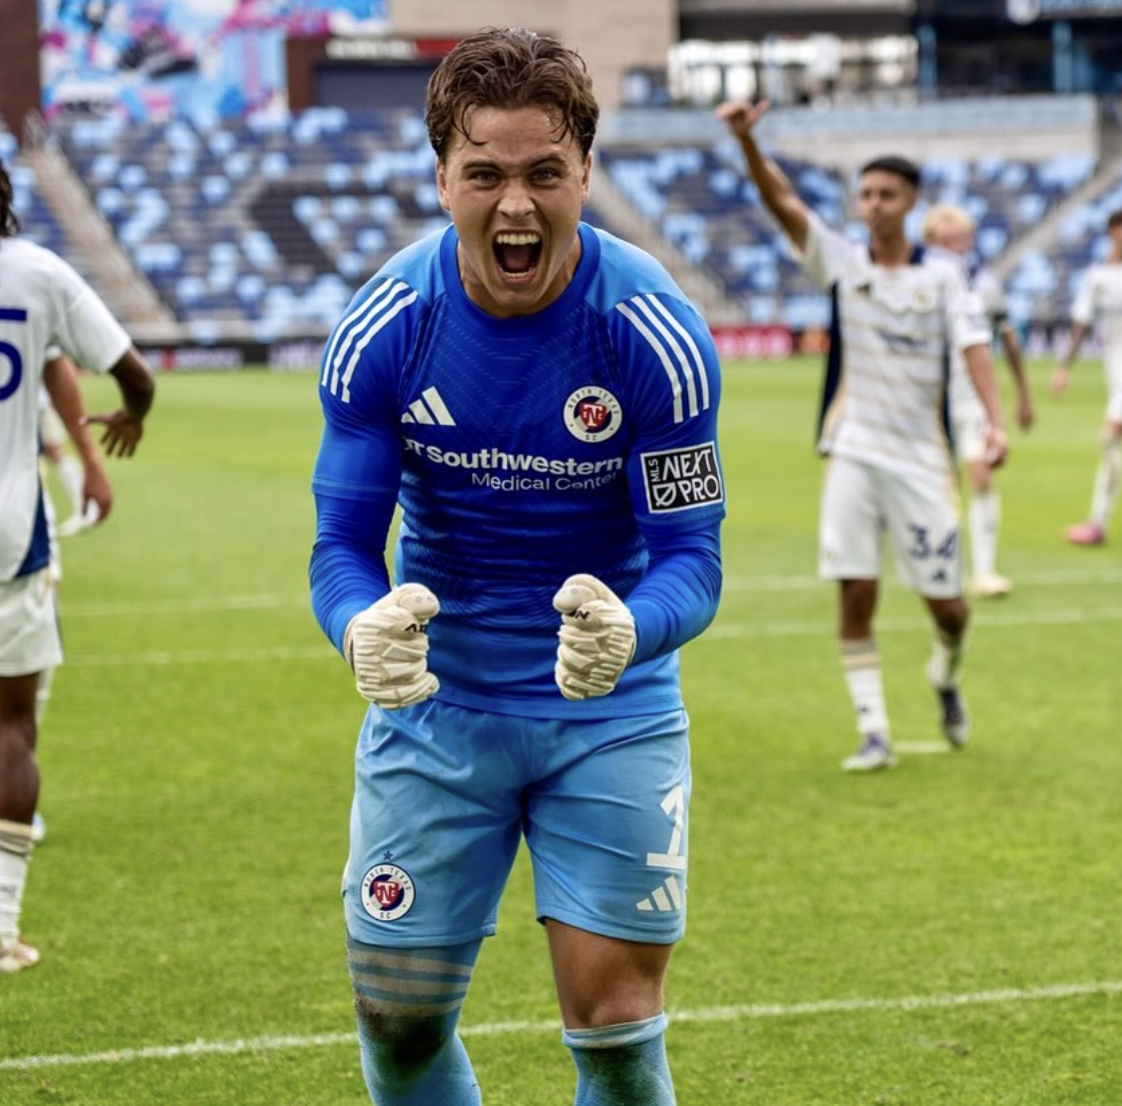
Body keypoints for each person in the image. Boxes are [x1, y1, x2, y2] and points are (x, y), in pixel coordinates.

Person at [310, 28, 725, 1106]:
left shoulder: (653, 332)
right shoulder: (385, 327)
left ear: (586, 170)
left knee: (619, 1033)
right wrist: (360, 626)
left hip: (612, 709)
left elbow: (693, 559)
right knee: (397, 1026)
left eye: (545, 172)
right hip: (436, 712)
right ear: (440, 174)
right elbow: (342, 546)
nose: (516, 206)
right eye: (484, 173)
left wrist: (633, 627)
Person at [716, 100, 1007, 773]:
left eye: (886, 194)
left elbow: (974, 349)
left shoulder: (943, 276)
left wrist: (992, 421)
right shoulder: (844, 264)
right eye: (865, 194)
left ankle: (945, 672)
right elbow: (783, 203)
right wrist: (748, 143)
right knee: (855, 591)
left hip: (922, 460)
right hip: (852, 450)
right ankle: (874, 730)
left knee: (949, 606)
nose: (872, 204)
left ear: (910, 202)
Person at [0, 157, 156, 973]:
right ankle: (0, 929)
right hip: (9, 531)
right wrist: (126, 421)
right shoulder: (36, 273)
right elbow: (134, 376)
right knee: (11, 726)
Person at [922, 203, 1034, 598]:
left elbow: (1007, 339)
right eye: (948, 241)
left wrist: (1022, 394)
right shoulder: (919, 281)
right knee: (938, 489)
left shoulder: (985, 283)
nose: (957, 247)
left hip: (971, 399)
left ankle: (984, 571)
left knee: (981, 476)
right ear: (931, 243)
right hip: (929, 400)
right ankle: (942, 570)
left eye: (962, 240)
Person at [1050, 208, 1122, 546]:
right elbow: (1081, 324)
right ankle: (1097, 523)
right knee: (1112, 447)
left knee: (1110, 436)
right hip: (1115, 373)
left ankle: (1096, 522)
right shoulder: (1099, 277)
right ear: (1111, 232)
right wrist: (1064, 367)